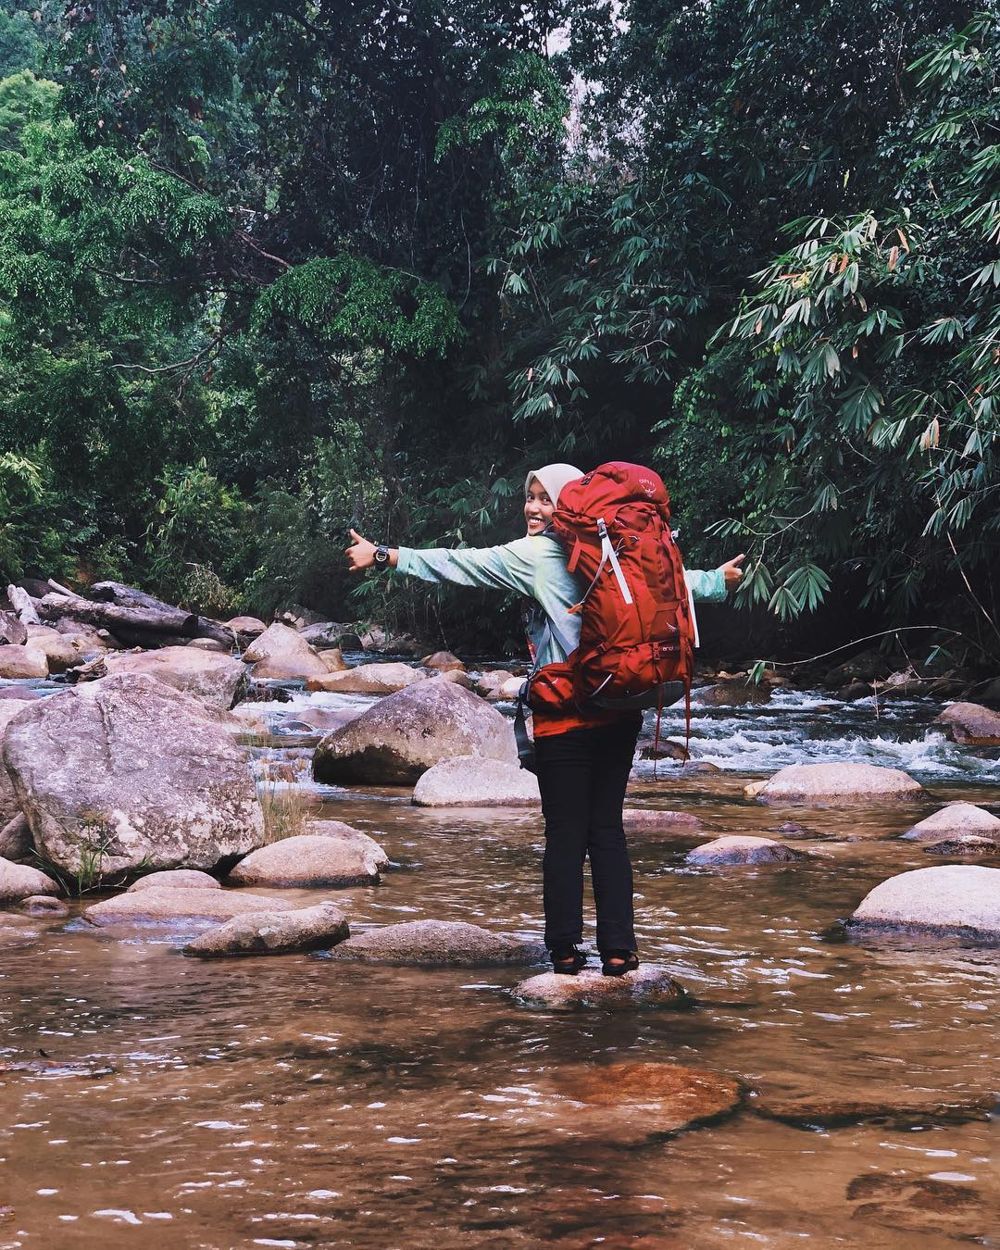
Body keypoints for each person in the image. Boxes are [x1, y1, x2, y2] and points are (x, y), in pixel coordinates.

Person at [345, 464, 744, 976]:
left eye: (544, 499)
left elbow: (461, 564)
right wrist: (719, 581)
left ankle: (564, 952)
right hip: (620, 707)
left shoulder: (536, 555)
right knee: (607, 831)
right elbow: (671, 581)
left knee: (565, 835)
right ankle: (620, 951)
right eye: (529, 497)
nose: (533, 508)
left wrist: (385, 556)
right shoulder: (621, 550)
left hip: (564, 716)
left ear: (571, 506)